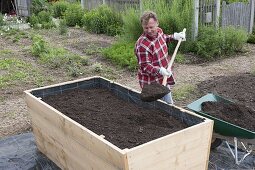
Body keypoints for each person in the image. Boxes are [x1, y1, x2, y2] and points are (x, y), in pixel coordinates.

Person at [135, 11, 186, 104]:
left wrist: (174, 36)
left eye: (151, 27)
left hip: (163, 77)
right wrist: (160, 70)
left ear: (157, 23)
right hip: (151, 84)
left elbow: (163, 38)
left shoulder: (159, 32)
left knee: (169, 105)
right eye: (146, 28)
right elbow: (145, 66)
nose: (149, 30)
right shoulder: (142, 45)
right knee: (158, 109)